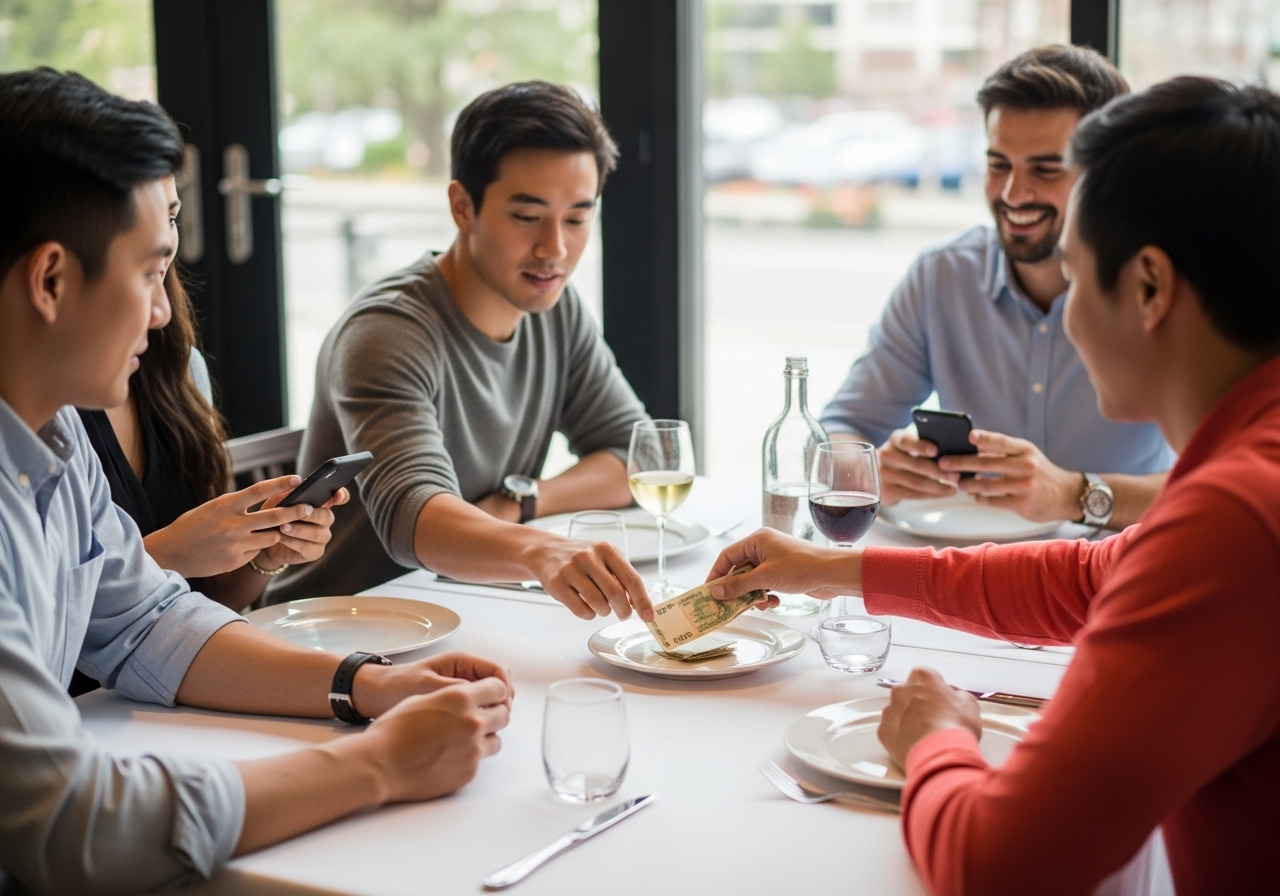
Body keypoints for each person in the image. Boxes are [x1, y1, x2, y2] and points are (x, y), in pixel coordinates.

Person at [709, 77, 1280, 895]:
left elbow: (999, 864)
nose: (1065, 314)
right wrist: (824, 569)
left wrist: (936, 740)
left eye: (1078, 279)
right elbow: (1089, 577)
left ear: (1150, 288)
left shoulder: (1235, 521)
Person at [0, 68, 512, 894]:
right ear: (52, 280)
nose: (164, 313)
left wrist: (367, 686)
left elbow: (143, 619)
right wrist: (378, 767)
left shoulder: (51, 431)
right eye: (148, 272)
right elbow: (73, 828)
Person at [268, 81, 654, 623]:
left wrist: (526, 501)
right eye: (527, 217)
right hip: (335, 632)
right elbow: (415, 520)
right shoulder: (387, 332)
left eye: (576, 218)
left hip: (459, 610)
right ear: (462, 206)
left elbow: (636, 458)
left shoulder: (555, 310)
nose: (556, 250)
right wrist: (538, 549)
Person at [821, 45, 1173, 530]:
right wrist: (872, 469)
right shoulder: (942, 277)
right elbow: (838, 430)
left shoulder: (1163, 290)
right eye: (998, 165)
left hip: (1116, 577)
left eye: (1045, 169)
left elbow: (1229, 487)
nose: (1011, 194)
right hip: (965, 576)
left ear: (1108, 175)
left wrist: (1078, 495)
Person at [77, 206, 345, 615]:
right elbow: (49, 616)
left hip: (173, 664)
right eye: (139, 216)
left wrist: (262, 552)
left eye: (171, 217)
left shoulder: (181, 371)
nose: (165, 243)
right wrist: (169, 553)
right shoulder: (43, 414)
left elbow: (209, 601)